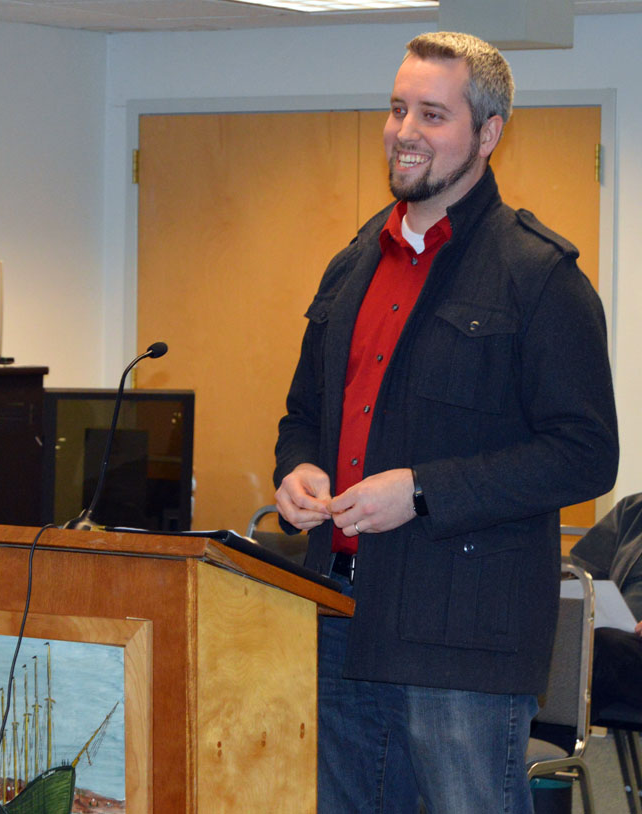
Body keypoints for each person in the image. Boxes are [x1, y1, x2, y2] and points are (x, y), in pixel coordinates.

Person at [273, 31, 619, 813]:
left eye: (433, 114)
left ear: (489, 133)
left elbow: (587, 454)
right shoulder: (355, 261)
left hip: (463, 644)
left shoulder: (540, 277)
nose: (404, 131)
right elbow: (302, 414)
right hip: (338, 619)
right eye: (398, 109)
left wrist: (423, 492)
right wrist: (296, 469)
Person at [569, 494, 642, 713]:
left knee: (598, 647)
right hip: (618, 640)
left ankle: (550, 741)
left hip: (616, 647)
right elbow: (581, 574)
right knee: (559, 641)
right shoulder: (632, 510)